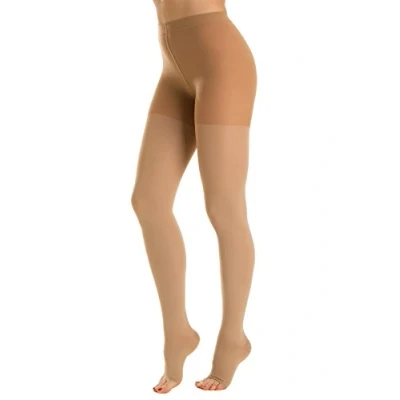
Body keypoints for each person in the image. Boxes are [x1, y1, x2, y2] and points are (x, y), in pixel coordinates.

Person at [131, 0, 257, 393]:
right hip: (173, 66)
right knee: (148, 201)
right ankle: (178, 332)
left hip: (220, 61)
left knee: (224, 208)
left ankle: (233, 338)